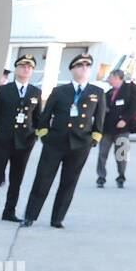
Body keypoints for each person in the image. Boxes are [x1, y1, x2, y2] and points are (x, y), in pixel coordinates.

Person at [23, 53, 106, 228]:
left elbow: (99, 120)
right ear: (72, 70)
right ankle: (30, 215)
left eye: (87, 66)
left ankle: (57, 219)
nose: (84, 68)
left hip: (80, 144)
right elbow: (45, 116)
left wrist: (94, 139)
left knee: (69, 182)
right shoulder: (59, 91)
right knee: (43, 179)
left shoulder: (97, 92)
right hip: (55, 142)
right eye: (80, 65)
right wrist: (44, 135)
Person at [0, 55, 42, 223]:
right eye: (22, 66)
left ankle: (9, 211)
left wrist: (34, 136)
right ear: (16, 69)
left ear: (32, 71)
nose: (26, 69)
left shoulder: (36, 92)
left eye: (29, 67)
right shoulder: (3, 90)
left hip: (24, 143)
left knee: (16, 179)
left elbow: (38, 118)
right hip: (2, 141)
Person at [96, 68, 136, 188]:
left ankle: (121, 176)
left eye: (110, 78)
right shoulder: (109, 93)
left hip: (122, 129)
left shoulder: (130, 88)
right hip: (107, 129)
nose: (108, 80)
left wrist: (125, 119)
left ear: (117, 77)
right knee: (102, 154)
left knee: (121, 155)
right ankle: (101, 177)